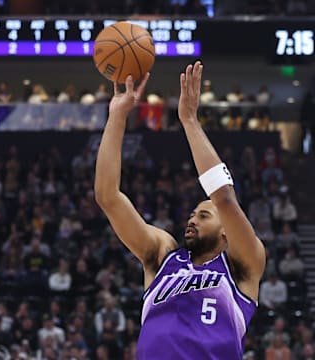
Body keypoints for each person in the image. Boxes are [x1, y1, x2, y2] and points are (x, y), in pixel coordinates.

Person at [94, 61, 266, 359]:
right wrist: (117, 116)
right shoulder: (162, 256)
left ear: (226, 230)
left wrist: (189, 120)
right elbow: (107, 197)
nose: (192, 218)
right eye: (193, 214)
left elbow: (223, 197)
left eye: (203, 215)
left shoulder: (243, 266)